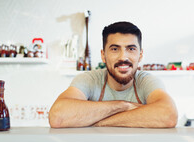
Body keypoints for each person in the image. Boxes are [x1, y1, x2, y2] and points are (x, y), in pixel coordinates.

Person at [49, 21, 178, 128]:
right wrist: (124, 106)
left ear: (140, 55)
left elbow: (169, 115)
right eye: (115, 49)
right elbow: (57, 116)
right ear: (103, 55)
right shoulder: (90, 79)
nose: (123, 57)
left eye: (131, 49)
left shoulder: (146, 81)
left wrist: (97, 122)